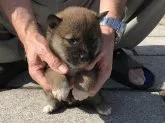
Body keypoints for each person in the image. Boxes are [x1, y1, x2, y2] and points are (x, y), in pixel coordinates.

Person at [0, 0, 164, 95]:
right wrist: (28, 35)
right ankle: (14, 48)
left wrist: (109, 30)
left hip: (94, 7)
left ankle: (108, 48)